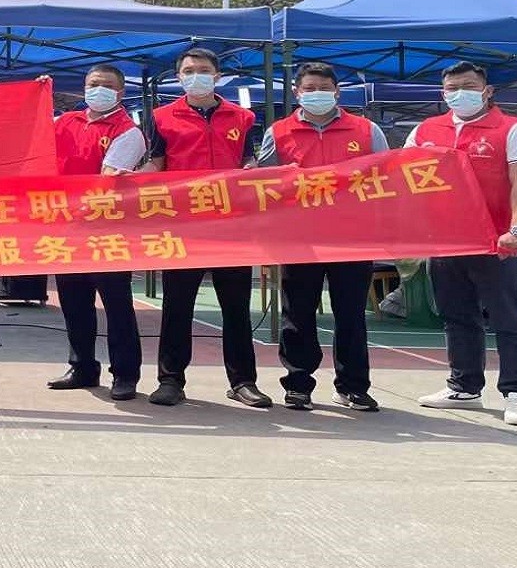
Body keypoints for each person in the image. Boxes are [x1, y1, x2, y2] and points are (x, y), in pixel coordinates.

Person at [407, 61, 517, 427]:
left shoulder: (513, 131)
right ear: (443, 93)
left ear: (487, 91)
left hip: (497, 243)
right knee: (457, 316)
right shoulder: (425, 131)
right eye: (452, 88)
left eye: (468, 86)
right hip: (447, 243)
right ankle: (464, 386)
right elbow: (404, 182)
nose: (459, 93)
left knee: (508, 317)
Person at [141, 47, 271, 409]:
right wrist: (130, 180)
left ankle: (243, 381)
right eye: (188, 70)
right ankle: (170, 380)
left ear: (217, 75)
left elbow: (248, 159)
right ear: (178, 77)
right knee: (177, 306)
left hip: (231, 226)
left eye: (202, 69)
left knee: (236, 307)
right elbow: (156, 163)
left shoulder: (243, 117)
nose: (195, 75)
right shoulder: (162, 117)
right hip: (184, 226)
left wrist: (252, 169)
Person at [257, 62, 388, 412]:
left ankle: (353, 386)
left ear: (337, 92)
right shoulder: (279, 132)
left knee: (351, 314)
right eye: (309, 88)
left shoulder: (367, 130)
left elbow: (386, 176)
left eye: (324, 88)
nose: (317, 94)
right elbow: (263, 184)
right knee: (298, 313)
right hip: (300, 238)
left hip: (352, 237)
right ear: (297, 93)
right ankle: (298, 384)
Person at [45, 65, 146, 400]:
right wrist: (34, 98)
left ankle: (125, 374)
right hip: (66, 228)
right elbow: (31, 140)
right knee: (74, 302)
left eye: (107, 85)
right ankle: (82, 367)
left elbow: (107, 177)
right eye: (93, 84)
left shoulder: (128, 132)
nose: (98, 89)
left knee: (116, 305)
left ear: (120, 92)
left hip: (107, 231)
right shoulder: (65, 122)